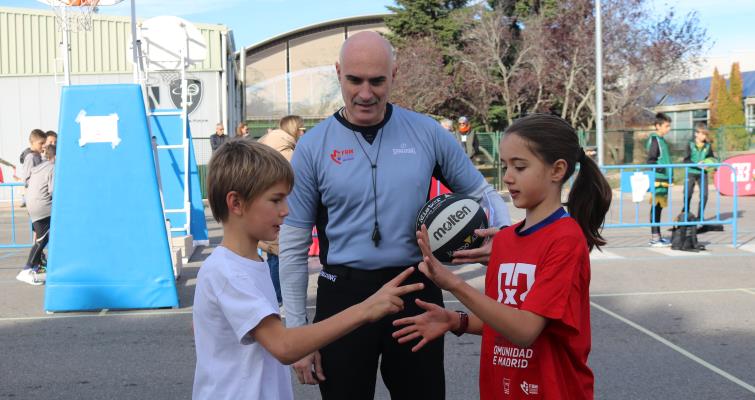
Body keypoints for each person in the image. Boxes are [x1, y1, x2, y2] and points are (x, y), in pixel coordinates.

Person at [279, 31, 510, 399]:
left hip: (415, 290)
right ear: (338, 73)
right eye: (354, 80)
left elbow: (481, 192)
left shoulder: (426, 132)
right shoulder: (312, 146)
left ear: (395, 75)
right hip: (344, 294)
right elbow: (291, 246)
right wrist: (298, 334)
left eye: (377, 80)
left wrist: (505, 236)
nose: (365, 93)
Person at [394, 114, 612, 400]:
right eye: (505, 166)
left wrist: (454, 284)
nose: (508, 177)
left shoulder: (565, 240)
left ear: (557, 170)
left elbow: (524, 330)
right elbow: (501, 321)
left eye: (519, 166)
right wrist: (454, 321)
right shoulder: (505, 240)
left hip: (554, 390)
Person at [192, 139, 424, 400]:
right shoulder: (229, 273)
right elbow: (283, 346)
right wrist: (365, 309)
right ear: (236, 203)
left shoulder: (247, 263)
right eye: (276, 200)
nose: (286, 211)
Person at [257, 114, 306, 304]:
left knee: (271, 255)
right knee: (280, 257)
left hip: (263, 208)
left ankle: (271, 296)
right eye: (301, 129)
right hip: (279, 210)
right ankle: (276, 298)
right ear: (295, 129)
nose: (303, 133)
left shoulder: (267, 144)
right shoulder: (288, 153)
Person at [16, 144, 56, 286]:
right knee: (42, 240)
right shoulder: (53, 168)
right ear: (56, 157)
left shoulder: (41, 166)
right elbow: (53, 191)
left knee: (43, 238)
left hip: (32, 205)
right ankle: (27, 269)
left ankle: (35, 267)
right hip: (43, 206)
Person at [646, 112, 672, 247]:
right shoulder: (655, 140)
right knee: (656, 208)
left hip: (664, 180)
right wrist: (662, 169)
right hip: (658, 180)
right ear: (658, 126)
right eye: (666, 126)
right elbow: (651, 161)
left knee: (659, 208)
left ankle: (658, 236)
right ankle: (655, 238)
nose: (669, 129)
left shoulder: (662, 140)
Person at [682, 122, 716, 219]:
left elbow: (712, 158)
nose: (704, 136)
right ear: (696, 134)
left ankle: (700, 216)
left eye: (705, 134)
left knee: (704, 195)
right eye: (702, 133)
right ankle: (685, 213)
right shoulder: (690, 144)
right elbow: (686, 160)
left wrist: (710, 164)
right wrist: (697, 165)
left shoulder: (708, 146)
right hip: (691, 172)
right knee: (687, 194)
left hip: (702, 173)